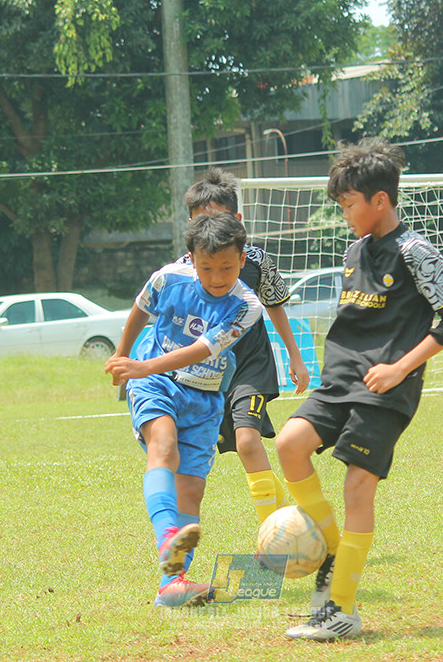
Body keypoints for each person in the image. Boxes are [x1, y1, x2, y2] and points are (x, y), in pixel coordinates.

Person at [274, 139, 443, 640]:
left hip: (386, 387)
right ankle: (331, 552)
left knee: (357, 487)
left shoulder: (416, 252)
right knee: (289, 444)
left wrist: (399, 369)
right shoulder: (354, 249)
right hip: (339, 381)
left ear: (380, 200)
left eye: (349, 204)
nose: (344, 214)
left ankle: (340, 609)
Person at [105, 212, 263, 608]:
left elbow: (203, 349)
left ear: (242, 259)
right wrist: (124, 356)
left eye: (226, 267)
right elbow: (141, 308)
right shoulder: (168, 278)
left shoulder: (247, 306)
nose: (216, 277)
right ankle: (166, 542)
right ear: (191, 259)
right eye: (206, 268)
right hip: (157, 381)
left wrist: (140, 366)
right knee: (164, 445)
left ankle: (172, 586)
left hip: (205, 397)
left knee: (191, 490)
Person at [179, 169, 310, 526]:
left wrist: (295, 358)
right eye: (200, 221)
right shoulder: (181, 271)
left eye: (219, 219)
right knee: (228, 449)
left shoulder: (256, 261)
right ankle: (287, 514)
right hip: (208, 374)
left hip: (251, 365)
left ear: (237, 221)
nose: (210, 229)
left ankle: (273, 536)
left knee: (249, 442)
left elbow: (275, 306)